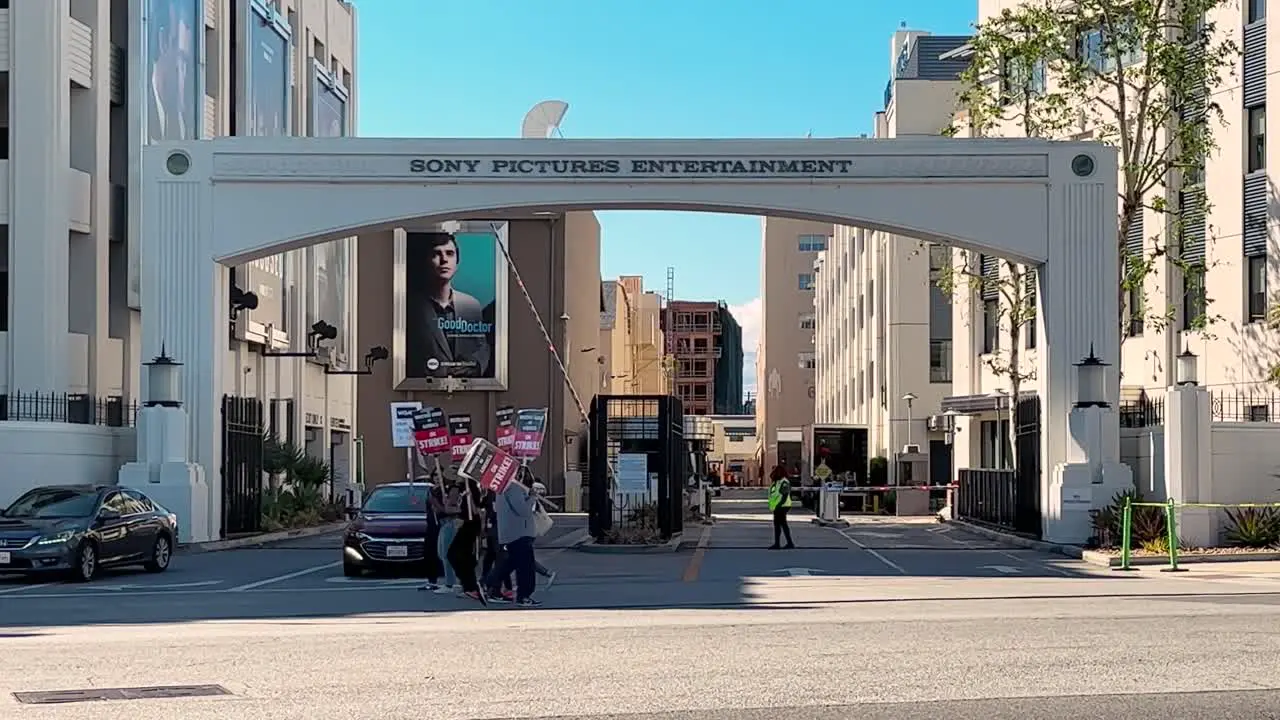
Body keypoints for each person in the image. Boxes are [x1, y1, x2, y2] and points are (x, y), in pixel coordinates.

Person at [404, 232, 493, 379]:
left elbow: (482, 346)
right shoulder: (411, 307)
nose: (444, 260)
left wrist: (476, 365)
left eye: (450, 253)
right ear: (425, 261)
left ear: (457, 263)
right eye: (436, 254)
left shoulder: (471, 305)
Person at [482, 477, 541, 607]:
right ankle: (523, 596)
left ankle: (489, 584)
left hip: (510, 533)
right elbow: (523, 510)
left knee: (508, 564)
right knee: (525, 567)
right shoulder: (513, 488)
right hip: (519, 533)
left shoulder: (502, 489)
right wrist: (531, 498)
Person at [445, 474, 487, 603]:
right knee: (460, 556)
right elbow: (453, 506)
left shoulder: (471, 486)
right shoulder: (460, 487)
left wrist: (470, 498)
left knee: (456, 554)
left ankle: (470, 586)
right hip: (464, 522)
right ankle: (469, 586)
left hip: (470, 524)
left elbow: (476, 510)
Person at [428, 475, 464, 595]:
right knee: (442, 553)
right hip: (445, 523)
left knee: (446, 553)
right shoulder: (444, 489)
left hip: (451, 522)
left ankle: (450, 583)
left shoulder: (454, 489)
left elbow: (448, 509)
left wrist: (437, 503)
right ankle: (453, 581)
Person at [768, 465, 796, 550]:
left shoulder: (784, 482)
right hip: (778, 506)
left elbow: (785, 495)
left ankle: (781, 543)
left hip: (782, 506)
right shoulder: (776, 482)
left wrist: (778, 505)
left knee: (780, 524)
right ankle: (787, 543)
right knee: (781, 524)